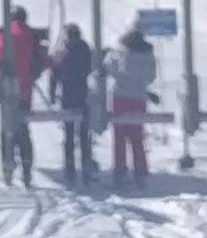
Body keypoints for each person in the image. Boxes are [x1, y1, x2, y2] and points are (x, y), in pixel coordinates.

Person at [0, 9, 46, 189]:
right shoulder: (32, 36)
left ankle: (8, 170)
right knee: (23, 132)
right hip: (25, 91)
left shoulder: (3, 36)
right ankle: (26, 171)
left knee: (7, 131)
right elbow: (41, 60)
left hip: (7, 92)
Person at [52, 22, 101, 188]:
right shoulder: (85, 50)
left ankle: (70, 170)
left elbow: (55, 74)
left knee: (69, 136)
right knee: (84, 135)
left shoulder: (62, 53)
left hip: (67, 97)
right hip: (83, 95)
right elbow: (90, 69)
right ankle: (86, 169)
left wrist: (52, 93)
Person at [109, 25, 158, 184]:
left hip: (121, 97)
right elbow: (151, 77)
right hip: (139, 97)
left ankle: (120, 170)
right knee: (137, 135)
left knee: (119, 136)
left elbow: (111, 68)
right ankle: (140, 170)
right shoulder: (149, 55)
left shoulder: (121, 52)